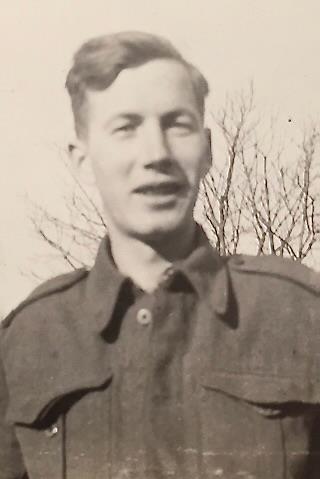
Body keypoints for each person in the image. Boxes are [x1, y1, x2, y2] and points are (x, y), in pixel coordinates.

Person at [1, 31, 320, 479]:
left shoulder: (300, 314)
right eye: (125, 127)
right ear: (81, 159)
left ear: (207, 150)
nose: (156, 153)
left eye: (177, 124)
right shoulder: (28, 340)